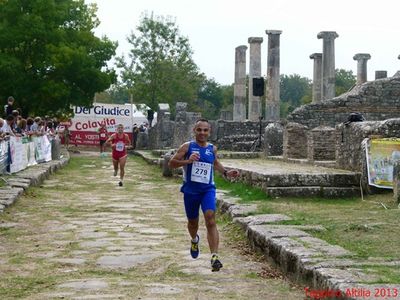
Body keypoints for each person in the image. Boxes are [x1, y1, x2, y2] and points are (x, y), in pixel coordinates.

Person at [168, 118, 240, 272]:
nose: (202, 133)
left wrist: (226, 172)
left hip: (208, 189)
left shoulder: (212, 148)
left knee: (210, 218)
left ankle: (214, 256)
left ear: (209, 132)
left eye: (205, 130)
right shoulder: (187, 147)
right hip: (190, 191)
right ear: (195, 130)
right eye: (199, 130)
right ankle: (194, 240)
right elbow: (171, 163)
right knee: (193, 222)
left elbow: (214, 163)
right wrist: (188, 161)